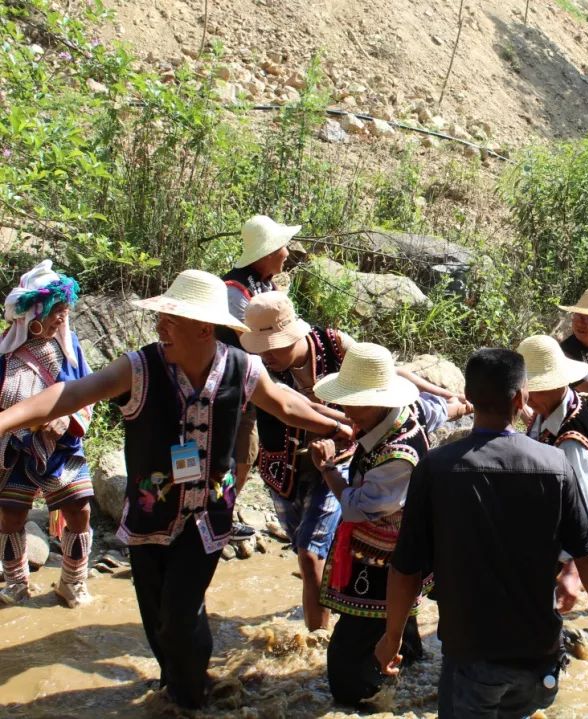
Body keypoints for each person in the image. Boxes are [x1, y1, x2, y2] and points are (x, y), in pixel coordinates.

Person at [0, 270, 352, 709]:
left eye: (171, 320)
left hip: (206, 520)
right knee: (157, 619)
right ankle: (175, 683)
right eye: (161, 318)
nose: (159, 328)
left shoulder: (242, 368)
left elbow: (286, 404)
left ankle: (193, 696)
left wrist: (339, 424)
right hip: (148, 519)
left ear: (204, 328)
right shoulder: (138, 368)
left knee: (181, 617)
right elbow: (67, 395)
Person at [374, 349, 588, 718]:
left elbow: (406, 568)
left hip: (470, 654)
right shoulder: (554, 463)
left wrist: (393, 635)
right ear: (520, 398)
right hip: (537, 655)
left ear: (470, 395)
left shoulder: (436, 468)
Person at [308, 342, 467, 708]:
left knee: (348, 660)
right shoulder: (402, 415)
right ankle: (404, 665)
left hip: (385, 558)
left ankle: (370, 695)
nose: (346, 412)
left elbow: (356, 509)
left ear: (380, 400)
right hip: (399, 547)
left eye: (354, 403)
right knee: (398, 626)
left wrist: (329, 470)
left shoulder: (398, 455)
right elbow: (443, 408)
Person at [239, 291, 350, 631]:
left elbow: (379, 382)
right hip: (281, 470)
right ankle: (331, 613)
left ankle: (317, 642)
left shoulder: (336, 345)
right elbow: (288, 407)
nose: (267, 355)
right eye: (261, 348)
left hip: (335, 464)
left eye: (273, 346)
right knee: (309, 555)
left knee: (310, 552)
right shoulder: (257, 365)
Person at [0, 262, 94, 607]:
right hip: (13, 450)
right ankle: (16, 583)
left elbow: (88, 393)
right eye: (57, 311)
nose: (61, 319)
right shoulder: (5, 355)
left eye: (65, 312)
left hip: (61, 447)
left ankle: (73, 581)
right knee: (11, 516)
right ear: (33, 314)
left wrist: (68, 418)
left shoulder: (70, 350)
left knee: (79, 510)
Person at [221, 215, 300, 532]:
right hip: (230, 390)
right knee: (229, 455)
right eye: (283, 247)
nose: (287, 253)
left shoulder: (263, 285)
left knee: (246, 453)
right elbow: (242, 341)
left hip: (252, 388)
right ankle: (213, 517)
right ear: (268, 253)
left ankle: (221, 515)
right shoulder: (235, 291)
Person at [518, 334, 588, 612]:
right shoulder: (550, 409)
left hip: (558, 547)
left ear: (557, 384)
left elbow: (583, 508)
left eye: (535, 390)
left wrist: (573, 570)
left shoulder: (571, 440)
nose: (529, 399)